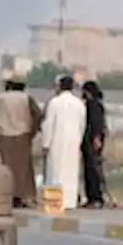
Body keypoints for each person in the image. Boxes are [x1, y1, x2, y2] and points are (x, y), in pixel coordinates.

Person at [0, 74, 43, 208]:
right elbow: (38, 115)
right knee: (22, 170)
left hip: (2, 137)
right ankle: (21, 197)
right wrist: (32, 132)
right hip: (22, 137)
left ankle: (3, 196)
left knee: (4, 167)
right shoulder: (27, 98)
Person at [40, 74, 87, 210]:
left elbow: (49, 124)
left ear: (59, 86)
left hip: (57, 141)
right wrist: (79, 140)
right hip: (73, 142)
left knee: (56, 172)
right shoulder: (79, 104)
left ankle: (54, 202)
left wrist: (46, 143)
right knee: (71, 173)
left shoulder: (55, 102)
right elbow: (82, 125)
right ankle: (70, 202)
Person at [80, 80, 108, 208]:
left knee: (92, 169)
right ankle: (92, 197)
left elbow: (97, 123)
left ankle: (95, 197)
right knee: (90, 168)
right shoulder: (96, 104)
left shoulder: (93, 105)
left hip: (92, 141)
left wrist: (96, 139)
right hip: (92, 140)